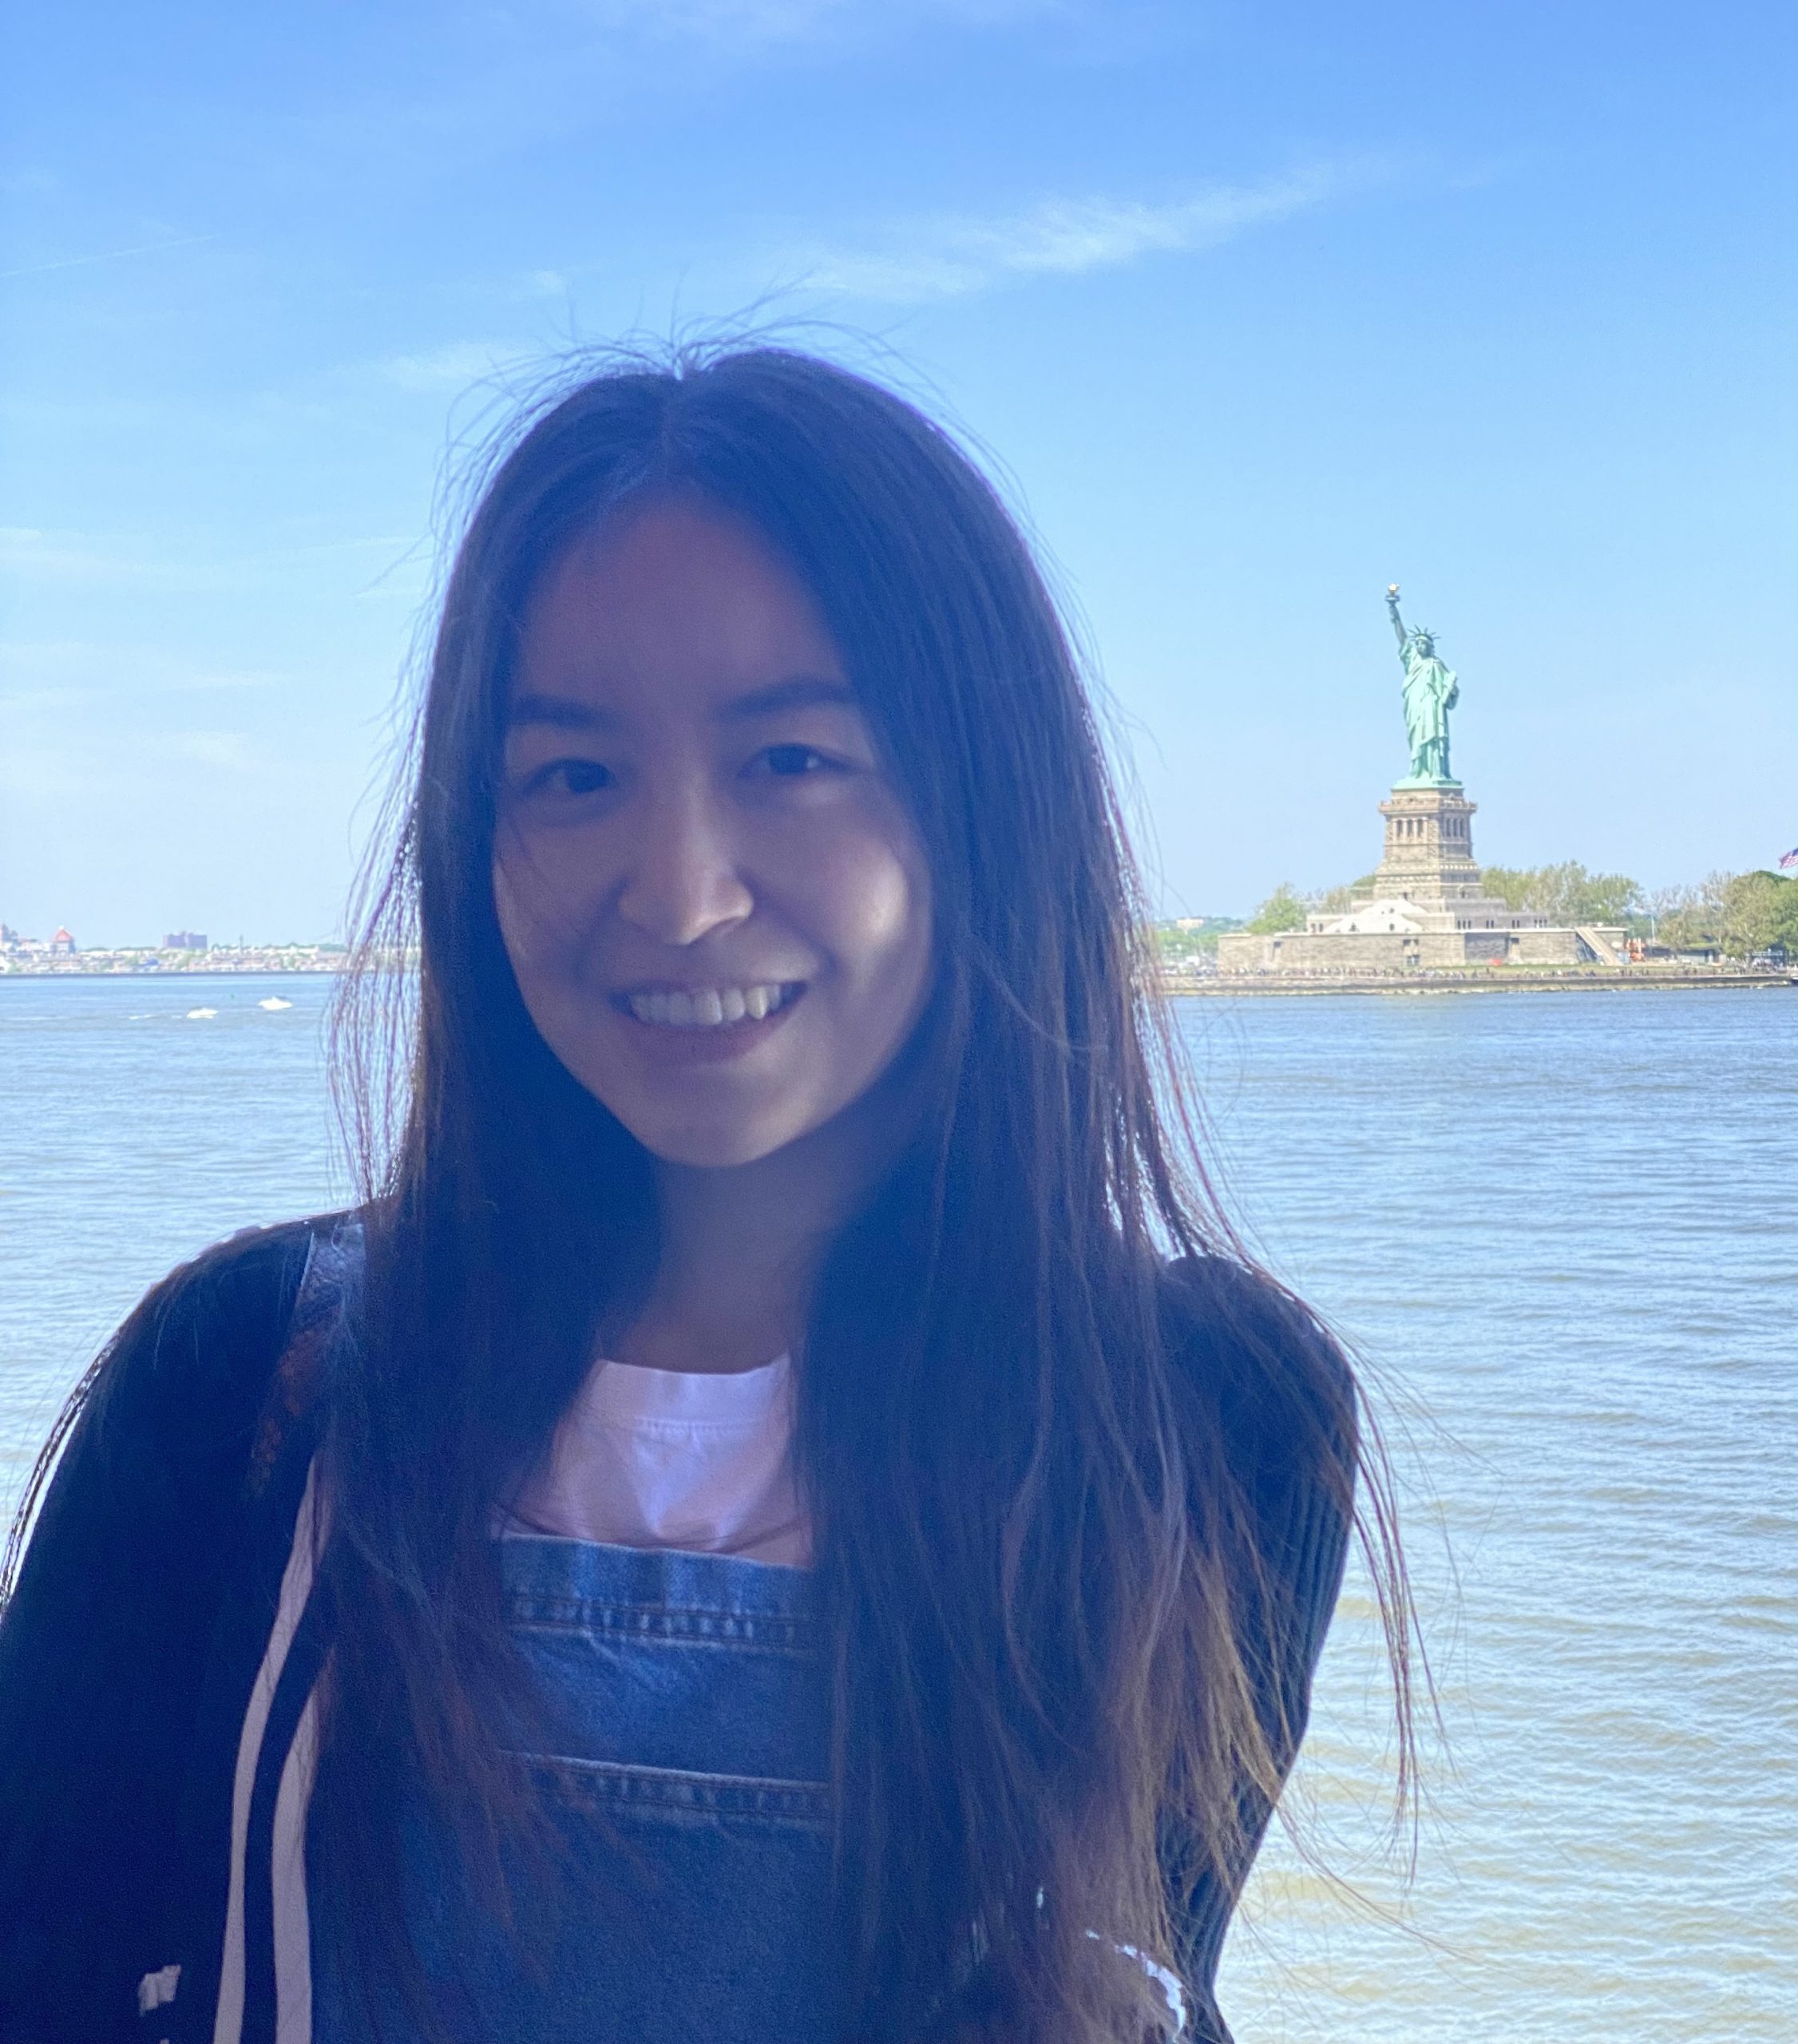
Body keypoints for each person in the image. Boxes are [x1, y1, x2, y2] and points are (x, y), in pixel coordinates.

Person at [0, 346, 1415, 2044]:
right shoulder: (249, 1381)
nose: (676, 895)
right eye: (572, 776)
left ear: (985, 802)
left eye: (793, 758)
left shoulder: (1206, 1419)